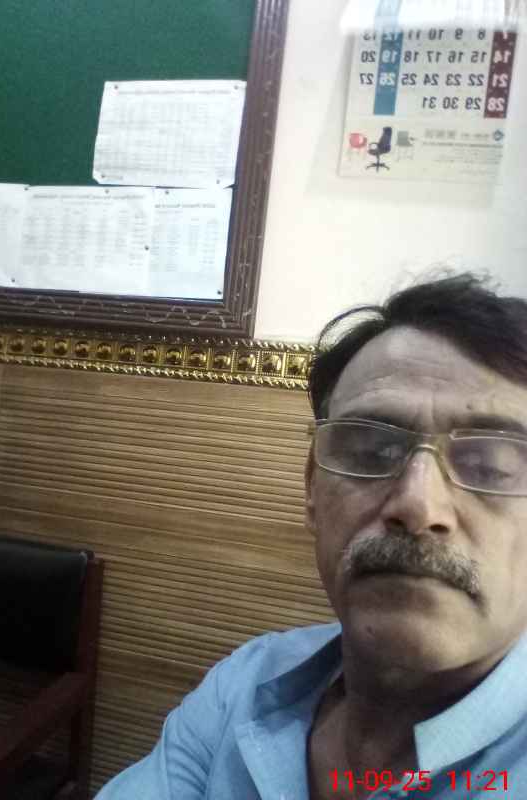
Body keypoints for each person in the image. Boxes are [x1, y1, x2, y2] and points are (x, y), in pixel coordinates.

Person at [95, 273, 527, 799]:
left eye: (492, 465)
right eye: (370, 452)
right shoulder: (247, 684)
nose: (418, 505)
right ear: (311, 489)